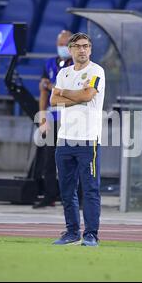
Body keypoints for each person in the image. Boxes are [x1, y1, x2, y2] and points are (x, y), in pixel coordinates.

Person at [50, 33, 105, 246]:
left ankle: (91, 234)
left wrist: (65, 93)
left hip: (88, 139)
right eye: (78, 46)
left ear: (90, 49)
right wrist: (74, 95)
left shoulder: (96, 70)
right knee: (66, 188)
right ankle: (72, 232)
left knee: (90, 188)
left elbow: (87, 96)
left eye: (86, 46)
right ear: (71, 49)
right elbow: (54, 101)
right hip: (64, 139)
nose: (82, 50)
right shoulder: (63, 73)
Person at [33, 30, 73, 209]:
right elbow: (43, 90)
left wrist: (51, 86)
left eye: (65, 44)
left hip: (71, 118)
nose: (62, 47)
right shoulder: (49, 63)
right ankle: (49, 195)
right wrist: (42, 116)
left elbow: (66, 90)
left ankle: (72, 196)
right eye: (60, 44)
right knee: (49, 158)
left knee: (71, 159)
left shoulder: (77, 66)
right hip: (53, 117)